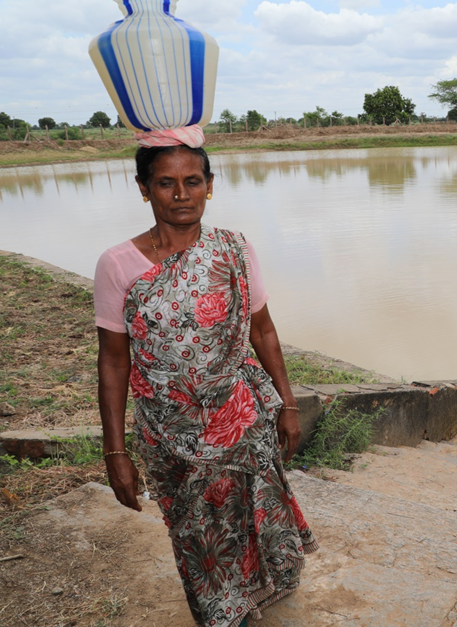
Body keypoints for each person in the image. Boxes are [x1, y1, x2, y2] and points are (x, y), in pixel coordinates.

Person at [94, 127, 317, 626]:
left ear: (209, 185)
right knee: (198, 534)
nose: (181, 195)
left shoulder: (234, 249)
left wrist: (288, 404)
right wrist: (115, 453)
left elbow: (263, 331)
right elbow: (113, 361)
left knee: (250, 511)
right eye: (166, 183)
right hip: (168, 433)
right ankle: (221, 612)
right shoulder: (118, 265)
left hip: (240, 417)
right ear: (142, 187)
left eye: (193, 181)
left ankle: (259, 592)